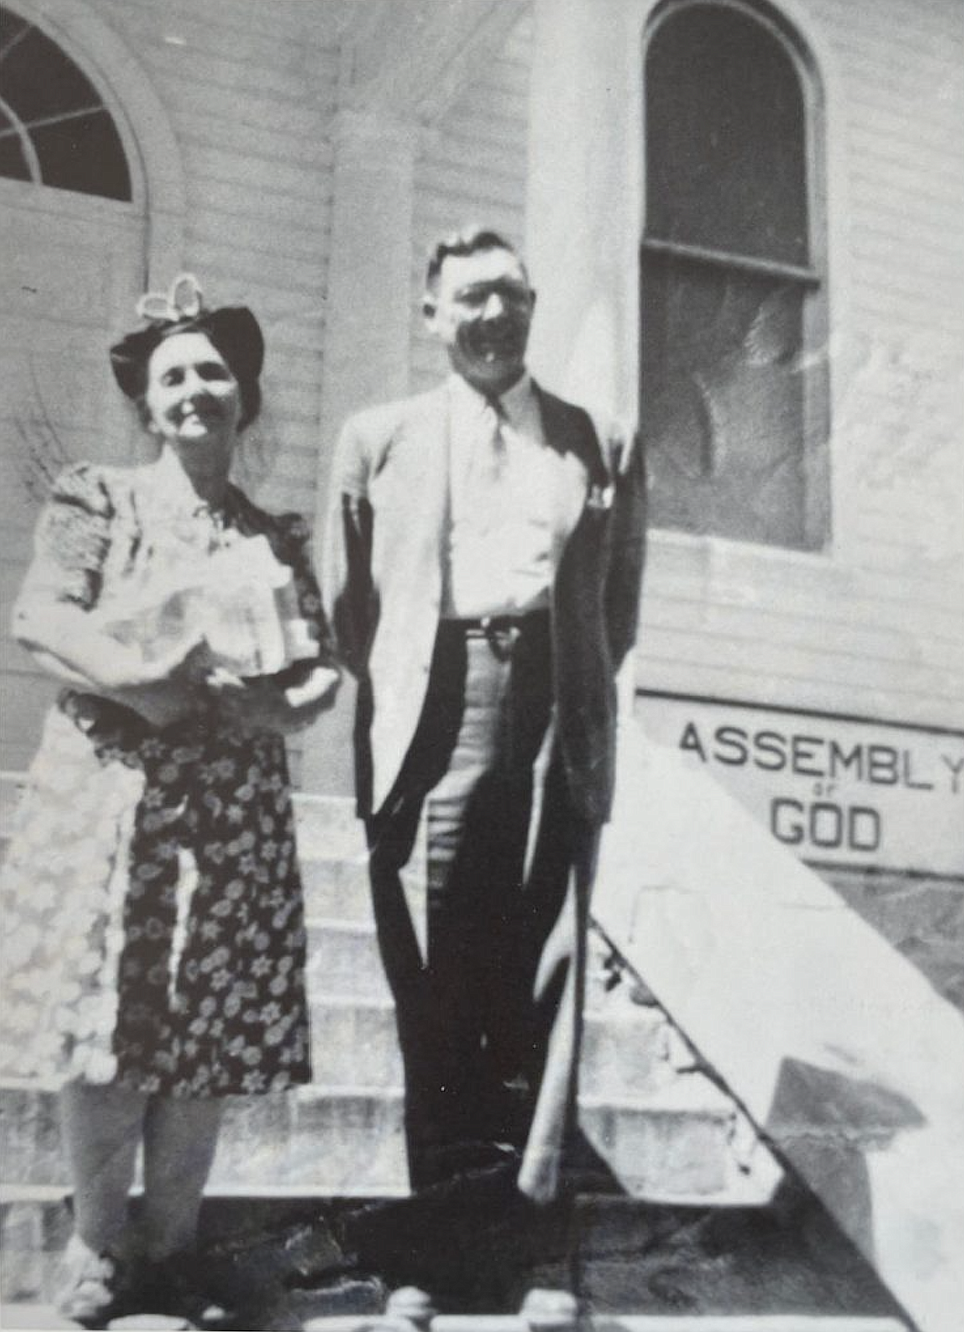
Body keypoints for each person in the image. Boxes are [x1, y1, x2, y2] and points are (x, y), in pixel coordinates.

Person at [0, 275, 340, 1327]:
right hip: (116, 788)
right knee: (110, 1008)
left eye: (215, 373)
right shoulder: (97, 497)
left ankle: (176, 1244)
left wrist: (289, 705)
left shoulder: (273, 536)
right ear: (147, 406)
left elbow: (318, 665)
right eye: (174, 376)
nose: (196, 389)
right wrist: (138, 679)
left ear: (246, 399)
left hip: (232, 800)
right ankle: (101, 1250)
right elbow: (39, 617)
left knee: (211, 1023)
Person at [323, 227, 645, 1236]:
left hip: (557, 705)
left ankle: (536, 1247)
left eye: (508, 295)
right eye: (468, 299)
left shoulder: (600, 439)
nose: (491, 316)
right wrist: (423, 684)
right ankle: (439, 1242)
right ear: (432, 317)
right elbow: (347, 606)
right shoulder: (377, 439)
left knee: (543, 967)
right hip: (436, 706)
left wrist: (566, 681)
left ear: (533, 306)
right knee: (436, 972)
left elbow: (617, 603)